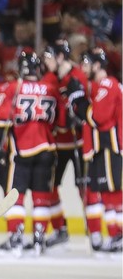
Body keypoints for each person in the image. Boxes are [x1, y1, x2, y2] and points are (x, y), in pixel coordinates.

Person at [0, 51, 66, 256]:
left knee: (16, 195)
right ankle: (39, 239)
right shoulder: (51, 88)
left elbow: (1, 121)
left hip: (22, 149)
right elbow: (61, 123)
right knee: (42, 196)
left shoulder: (12, 88)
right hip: (48, 148)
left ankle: (16, 237)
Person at [41, 41, 103, 250]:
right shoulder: (48, 79)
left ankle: (94, 232)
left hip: (79, 142)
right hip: (57, 143)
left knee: (85, 187)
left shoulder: (80, 76)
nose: (46, 61)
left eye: (49, 57)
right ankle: (60, 229)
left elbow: (91, 107)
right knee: (48, 186)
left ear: (60, 57)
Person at [65, 47, 122, 252]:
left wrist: (79, 101)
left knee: (112, 193)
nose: (84, 68)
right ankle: (114, 234)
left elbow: (98, 118)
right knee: (104, 193)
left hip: (110, 147)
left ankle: (118, 235)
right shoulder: (101, 86)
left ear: (97, 65)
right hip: (102, 147)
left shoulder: (107, 84)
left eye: (87, 64)